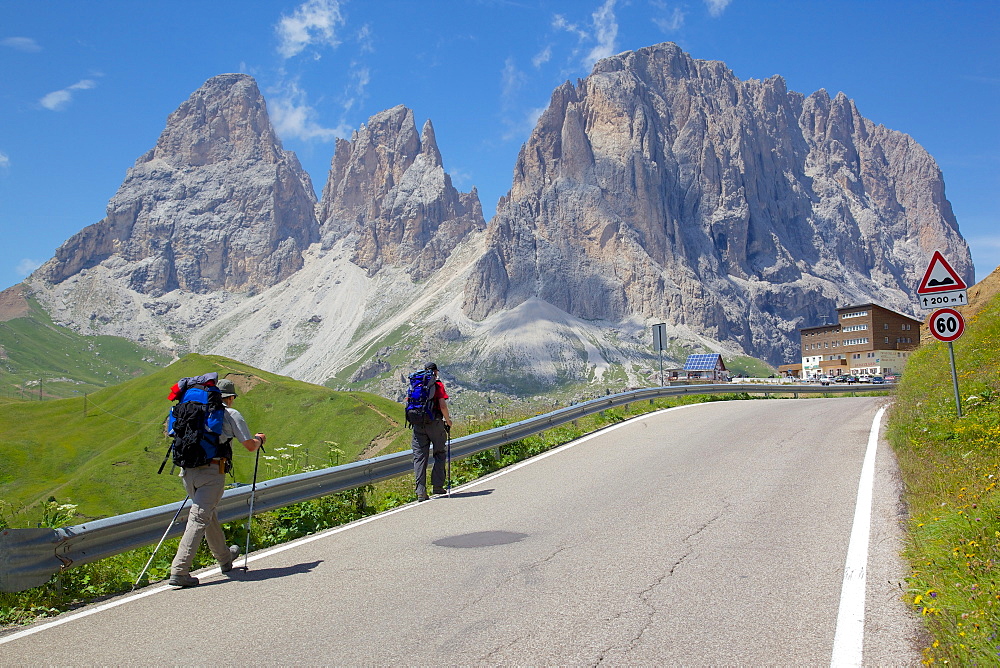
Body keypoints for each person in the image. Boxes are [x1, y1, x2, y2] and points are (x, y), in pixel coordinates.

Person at [169, 377, 266, 588]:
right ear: (229, 398)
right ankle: (180, 570)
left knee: (207, 514)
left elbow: (173, 433)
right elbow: (249, 446)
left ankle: (224, 558)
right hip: (211, 472)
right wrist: (259, 439)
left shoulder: (191, 410)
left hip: (187, 471)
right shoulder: (229, 414)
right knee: (199, 518)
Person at [411, 362, 452, 502]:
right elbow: (442, 405)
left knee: (419, 457)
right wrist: (448, 420)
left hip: (417, 424)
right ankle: (438, 486)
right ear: (435, 371)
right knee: (440, 452)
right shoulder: (437, 384)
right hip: (435, 422)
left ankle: (421, 491)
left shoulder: (416, 384)